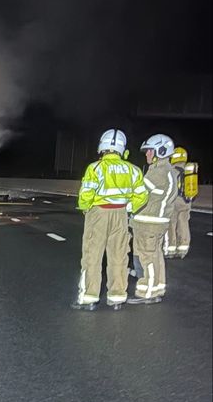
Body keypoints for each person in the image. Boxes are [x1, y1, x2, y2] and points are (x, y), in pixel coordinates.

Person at [73, 128, 148, 311]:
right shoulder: (133, 170)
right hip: (121, 215)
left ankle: (89, 298)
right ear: (123, 149)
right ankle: (117, 297)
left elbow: (86, 194)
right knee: (119, 256)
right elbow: (142, 195)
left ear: (102, 146)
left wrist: (85, 208)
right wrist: (129, 207)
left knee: (93, 256)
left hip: (98, 214)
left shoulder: (95, 168)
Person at [130, 133, 178, 303]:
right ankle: (158, 287)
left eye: (150, 151)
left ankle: (148, 292)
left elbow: (138, 192)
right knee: (156, 256)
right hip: (158, 223)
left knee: (146, 257)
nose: (147, 154)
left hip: (148, 223)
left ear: (161, 151)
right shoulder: (170, 171)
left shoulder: (158, 172)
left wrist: (127, 205)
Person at [164, 146, 197, 259]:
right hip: (186, 201)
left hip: (173, 200)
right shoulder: (189, 170)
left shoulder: (171, 170)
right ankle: (183, 248)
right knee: (183, 223)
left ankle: (171, 249)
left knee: (171, 224)